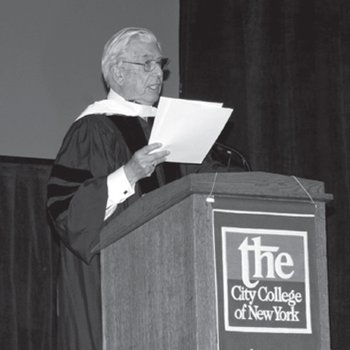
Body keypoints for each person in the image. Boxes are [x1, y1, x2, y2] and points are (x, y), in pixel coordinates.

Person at [47, 27, 231, 350]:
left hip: (175, 285)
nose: (158, 73)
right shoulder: (91, 129)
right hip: (115, 289)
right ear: (117, 72)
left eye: (160, 64)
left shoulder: (172, 129)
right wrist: (128, 174)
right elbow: (67, 214)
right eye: (146, 64)